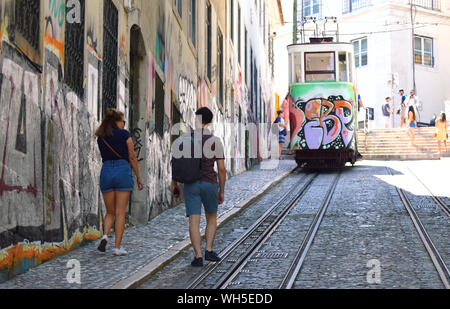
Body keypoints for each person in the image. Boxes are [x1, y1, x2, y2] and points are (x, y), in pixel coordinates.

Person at [172, 107, 226, 267]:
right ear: (209, 121)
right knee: (211, 218)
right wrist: (221, 190)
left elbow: (177, 163)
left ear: (197, 119)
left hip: (191, 184)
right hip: (210, 183)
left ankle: (198, 256)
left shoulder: (186, 138)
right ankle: (209, 249)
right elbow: (221, 169)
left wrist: (174, 183)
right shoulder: (215, 141)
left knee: (194, 222)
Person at [95, 109, 144, 256]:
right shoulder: (124, 134)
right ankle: (117, 247)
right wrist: (139, 178)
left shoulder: (101, 137)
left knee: (110, 212)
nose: (124, 124)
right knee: (120, 212)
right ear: (117, 121)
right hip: (122, 171)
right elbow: (132, 156)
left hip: (106, 172)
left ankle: (104, 235)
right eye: (123, 121)